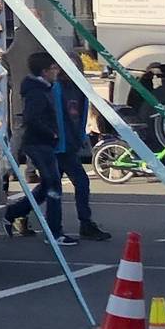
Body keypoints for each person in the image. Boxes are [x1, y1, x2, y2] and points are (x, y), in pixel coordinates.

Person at [14, 53, 82, 245]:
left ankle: (13, 213)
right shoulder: (37, 92)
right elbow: (31, 118)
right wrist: (52, 132)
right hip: (39, 144)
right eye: (53, 68)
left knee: (47, 186)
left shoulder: (46, 89)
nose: (57, 72)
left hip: (44, 144)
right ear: (45, 71)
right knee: (53, 186)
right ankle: (54, 232)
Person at [54, 66, 111, 241]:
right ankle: (81, 224)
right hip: (57, 146)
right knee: (58, 188)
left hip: (70, 145)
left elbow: (81, 113)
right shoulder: (56, 87)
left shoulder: (79, 88)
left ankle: (85, 223)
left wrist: (80, 137)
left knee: (74, 184)